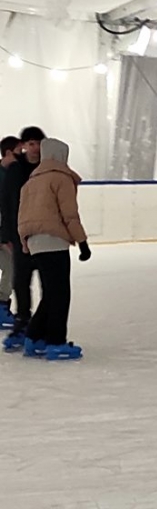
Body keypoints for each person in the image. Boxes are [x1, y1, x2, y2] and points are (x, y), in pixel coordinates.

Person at [15, 139, 91, 360]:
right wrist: (82, 242)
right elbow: (70, 215)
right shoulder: (61, 178)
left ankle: (34, 337)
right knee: (60, 294)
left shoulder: (31, 182)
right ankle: (56, 342)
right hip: (53, 240)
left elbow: (23, 217)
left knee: (51, 293)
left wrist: (25, 243)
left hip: (35, 242)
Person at [0, 126, 45, 345]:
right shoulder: (15, 171)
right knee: (19, 279)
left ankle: (39, 325)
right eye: (30, 144)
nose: (35, 148)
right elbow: (7, 204)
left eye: (38, 143)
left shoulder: (46, 169)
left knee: (48, 283)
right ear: (24, 146)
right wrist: (7, 235)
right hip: (18, 235)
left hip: (42, 235)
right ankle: (21, 320)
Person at [0, 135, 21, 329]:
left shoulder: (12, 175)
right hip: (3, 235)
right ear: (8, 153)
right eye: (18, 152)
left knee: (10, 268)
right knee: (10, 268)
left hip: (6, 233)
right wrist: (4, 238)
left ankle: (2, 307)